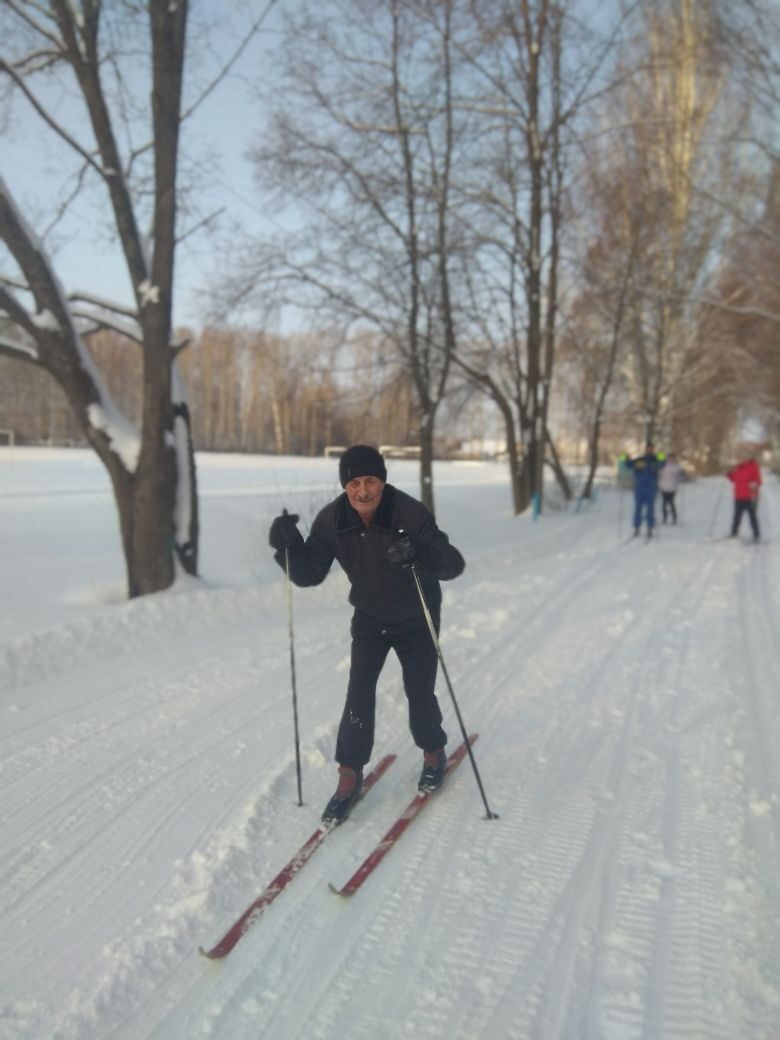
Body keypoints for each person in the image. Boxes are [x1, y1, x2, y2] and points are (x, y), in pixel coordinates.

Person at [268, 444, 465, 824]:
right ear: (345, 486)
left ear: (382, 481)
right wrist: (288, 546)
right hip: (370, 619)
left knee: (419, 692)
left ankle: (433, 751)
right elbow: (310, 574)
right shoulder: (332, 520)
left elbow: (452, 563)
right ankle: (349, 773)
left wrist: (419, 551)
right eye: (354, 482)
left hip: (416, 617)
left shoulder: (409, 513)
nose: (363, 491)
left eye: (370, 481)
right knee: (358, 695)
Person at [621, 442, 664, 538]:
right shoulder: (640, 460)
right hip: (639, 489)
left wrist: (661, 455)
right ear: (645, 449)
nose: (649, 450)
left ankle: (650, 528)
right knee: (637, 509)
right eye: (648, 448)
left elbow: (663, 464)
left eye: (651, 448)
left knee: (650, 510)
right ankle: (636, 528)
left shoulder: (656, 460)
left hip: (651, 489)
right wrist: (625, 457)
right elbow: (628, 465)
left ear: (653, 449)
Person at [726, 451, 761, 541]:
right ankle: (734, 533)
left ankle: (756, 535)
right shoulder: (738, 468)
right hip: (738, 497)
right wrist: (729, 474)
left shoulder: (753, 467)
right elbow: (734, 479)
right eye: (741, 457)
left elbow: (758, 481)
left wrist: (754, 484)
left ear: (748, 458)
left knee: (752, 517)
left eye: (744, 457)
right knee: (736, 517)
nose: (742, 459)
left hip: (750, 497)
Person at [658, 451, 683, 524]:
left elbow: (680, 477)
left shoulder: (676, 467)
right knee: (664, 504)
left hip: (672, 488)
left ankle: (674, 518)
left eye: (672, 458)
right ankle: (664, 518)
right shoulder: (663, 466)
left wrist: (681, 476)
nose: (670, 459)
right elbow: (659, 475)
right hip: (664, 488)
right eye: (669, 458)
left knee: (671, 503)